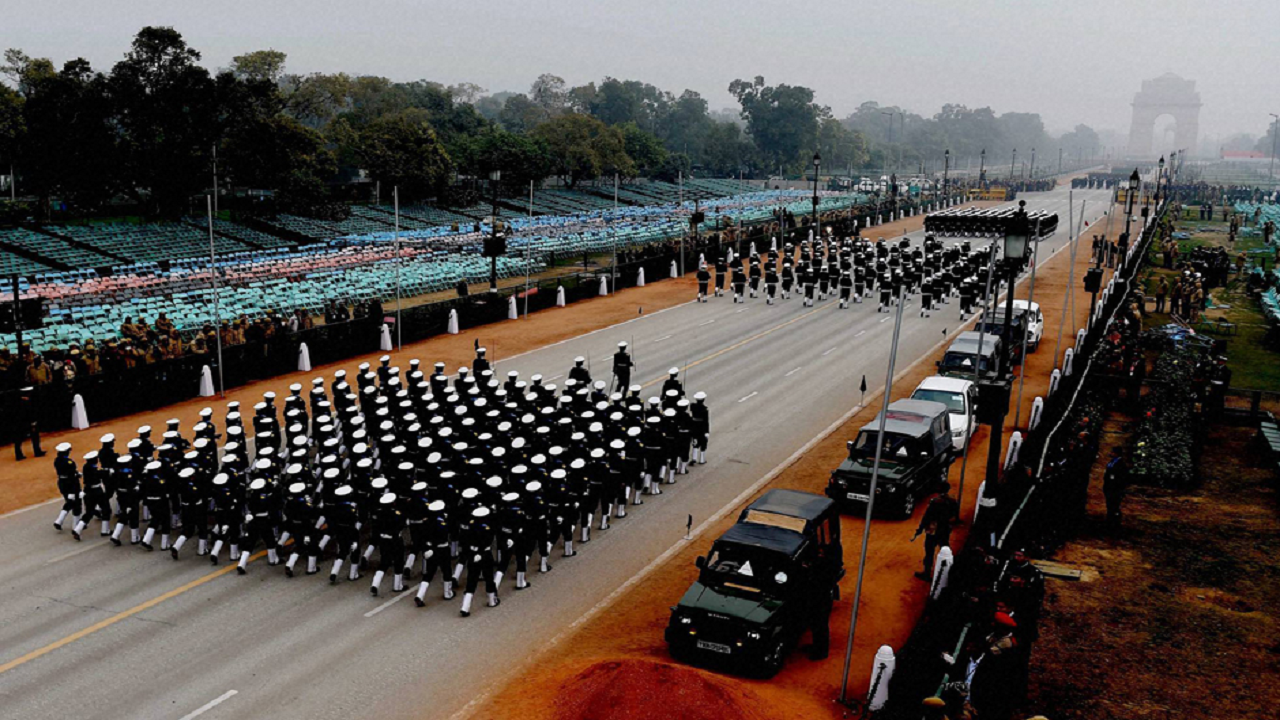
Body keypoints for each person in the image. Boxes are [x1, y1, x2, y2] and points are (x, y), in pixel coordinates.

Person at [914, 482, 960, 580]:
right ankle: (948, 572)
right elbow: (954, 515)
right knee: (945, 549)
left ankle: (927, 573)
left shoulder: (935, 502)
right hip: (945, 529)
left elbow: (927, 517)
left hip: (934, 530)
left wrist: (920, 529)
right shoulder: (952, 501)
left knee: (929, 552)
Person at [52, 443, 81, 532]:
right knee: (77, 504)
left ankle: (59, 521)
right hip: (71, 484)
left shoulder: (56, 460)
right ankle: (75, 525)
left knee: (69, 502)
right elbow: (71, 475)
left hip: (62, 483)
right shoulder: (69, 462)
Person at [14, 386, 45, 461]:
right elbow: (31, 412)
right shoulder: (28, 402)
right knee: (30, 436)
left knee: (20, 438)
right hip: (24, 422)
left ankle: (20, 454)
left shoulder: (17, 401)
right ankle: (36, 451)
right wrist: (33, 422)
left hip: (20, 422)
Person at [1102, 448, 1128, 527]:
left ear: (1116, 453)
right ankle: (1109, 521)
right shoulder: (1112, 462)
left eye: (1112, 452)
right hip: (1109, 487)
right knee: (1110, 505)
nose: (1110, 453)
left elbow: (1121, 478)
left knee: (1114, 505)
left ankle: (1114, 523)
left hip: (1115, 488)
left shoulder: (1121, 464)